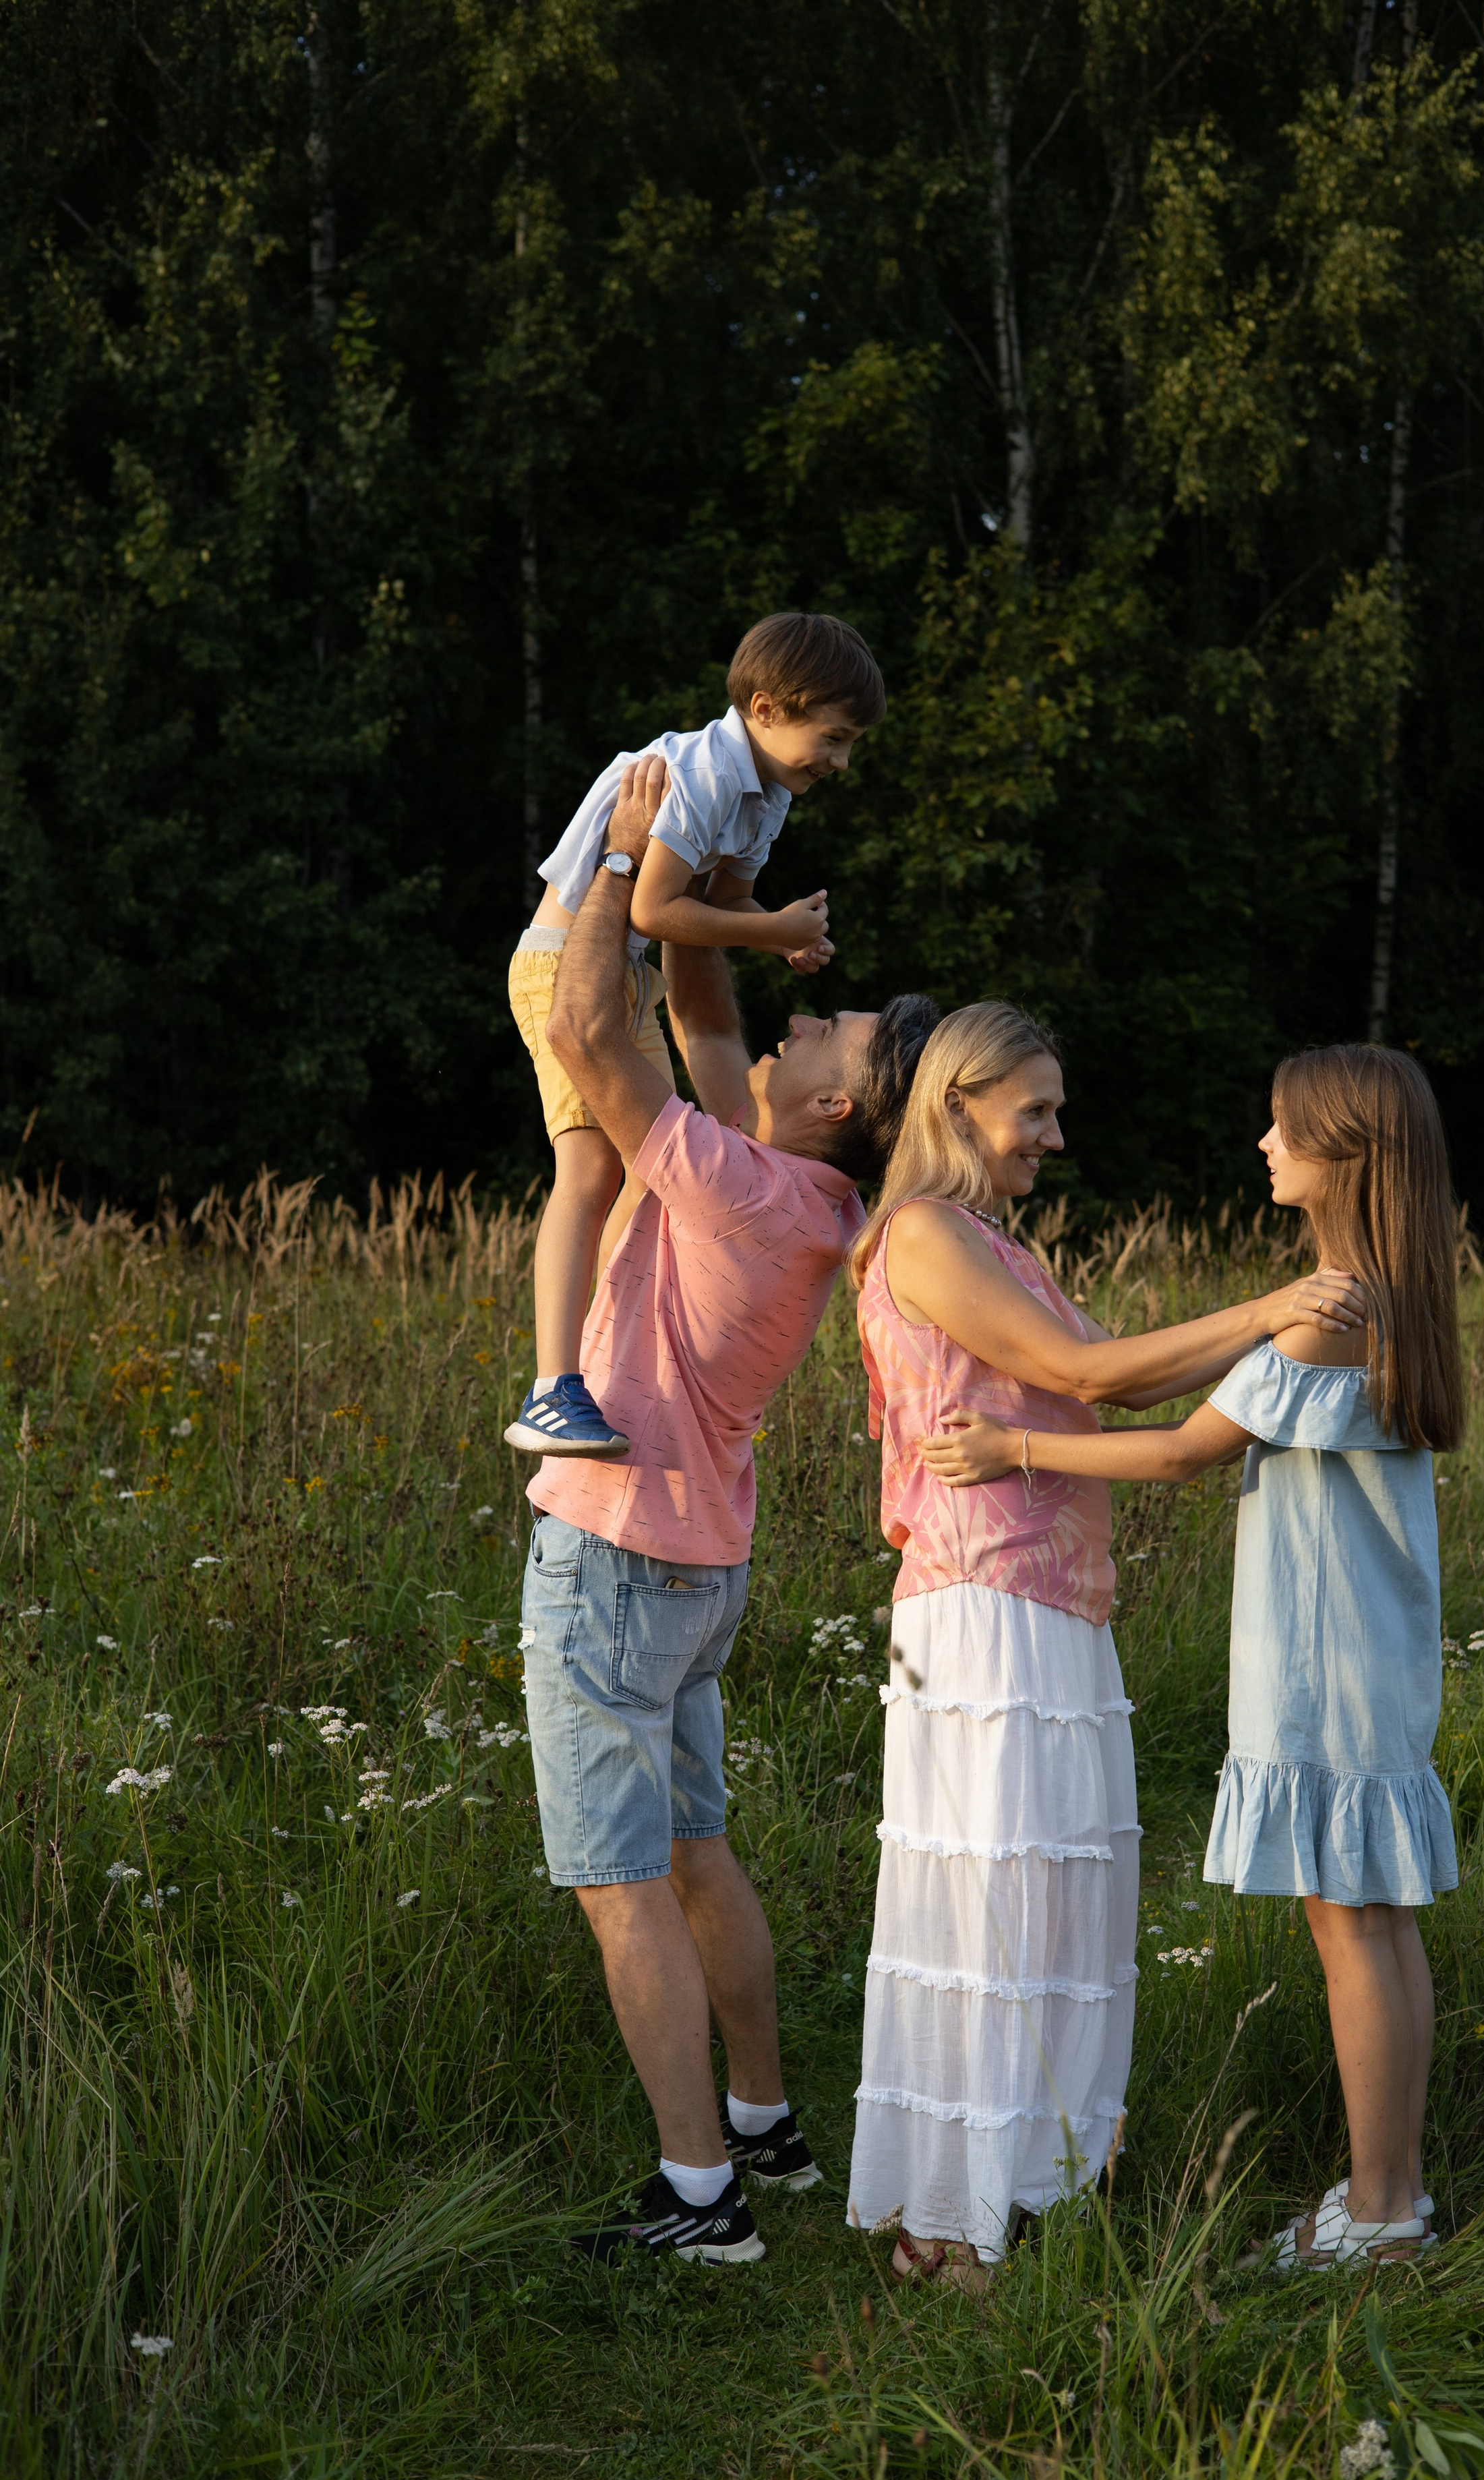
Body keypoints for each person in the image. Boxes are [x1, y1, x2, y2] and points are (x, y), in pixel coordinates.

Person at [844, 1004, 1369, 2287]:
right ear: (960, 1105)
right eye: (1036, 1110)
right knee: (987, 1899)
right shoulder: (921, 1233)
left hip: (1046, 1601)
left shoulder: (991, 1239)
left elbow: (1087, 1378)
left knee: (1055, 1897)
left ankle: (1018, 2187)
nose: (1054, 1135)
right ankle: (950, 2221)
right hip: (980, 1600)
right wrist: (1271, 1307)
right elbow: (1088, 1376)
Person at [522, 749, 940, 2264]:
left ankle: (698, 2200)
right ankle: (760, 2122)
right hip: (697, 1570)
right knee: (697, 1848)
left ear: (836, 1102)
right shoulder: (800, 1190)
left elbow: (588, 1028)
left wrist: (626, 869)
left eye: (819, 1029)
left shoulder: (735, 1186)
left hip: (615, 1558)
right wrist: (734, 891)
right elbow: (701, 1009)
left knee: (621, 1880)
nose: (801, 1023)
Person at [504, 612, 885, 1460]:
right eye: (832, 736)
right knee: (594, 1167)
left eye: (851, 743)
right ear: (764, 706)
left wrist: (781, 931)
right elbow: (653, 909)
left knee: (649, 1170)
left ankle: (603, 1356)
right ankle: (552, 1388)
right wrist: (770, 929)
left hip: (627, 973)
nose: (840, 762)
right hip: (565, 962)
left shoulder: (770, 791)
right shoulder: (702, 775)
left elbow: (724, 907)